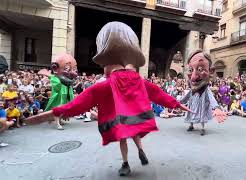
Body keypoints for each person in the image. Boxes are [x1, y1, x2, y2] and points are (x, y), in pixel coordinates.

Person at [26, 22, 191, 177]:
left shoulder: (105, 85)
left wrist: (55, 112)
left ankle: (125, 164)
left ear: (109, 64)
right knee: (135, 134)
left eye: (104, 64)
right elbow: (157, 93)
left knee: (123, 139)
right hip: (134, 117)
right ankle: (140, 149)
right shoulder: (136, 79)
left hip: (120, 119)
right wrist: (177, 104)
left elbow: (80, 103)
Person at [180, 50, 227, 136]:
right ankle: (191, 125)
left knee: (202, 116)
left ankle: (202, 128)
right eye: (190, 70)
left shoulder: (205, 89)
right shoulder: (192, 89)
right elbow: (186, 97)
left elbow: (211, 98)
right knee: (191, 113)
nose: (193, 77)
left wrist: (216, 107)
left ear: (211, 71)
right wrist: (178, 102)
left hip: (201, 105)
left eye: (200, 69)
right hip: (193, 104)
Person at [38, 54, 78, 130]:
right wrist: (50, 76)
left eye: (70, 68)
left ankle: (59, 120)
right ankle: (57, 123)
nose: (69, 70)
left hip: (66, 95)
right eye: (66, 68)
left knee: (64, 109)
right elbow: (57, 86)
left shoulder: (68, 80)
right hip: (60, 95)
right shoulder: (56, 78)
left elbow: (70, 84)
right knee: (58, 108)